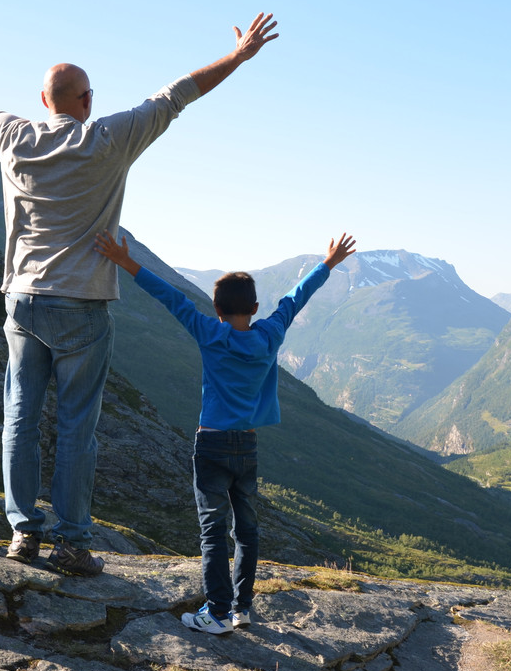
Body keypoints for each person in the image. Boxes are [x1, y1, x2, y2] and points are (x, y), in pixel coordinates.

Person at [0, 14, 279, 577]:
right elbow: (178, 94)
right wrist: (237, 58)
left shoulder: (11, 135)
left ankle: (22, 532)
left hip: (23, 300)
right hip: (83, 304)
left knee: (19, 417)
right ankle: (71, 541)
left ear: (43, 99)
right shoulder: (108, 139)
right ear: (85, 100)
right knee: (76, 426)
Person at [94, 229, 356, 633]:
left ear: (216, 308)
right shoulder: (270, 334)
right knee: (246, 531)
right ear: (253, 307)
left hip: (211, 442)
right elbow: (294, 299)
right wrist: (328, 263)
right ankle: (241, 609)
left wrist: (123, 260)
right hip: (247, 446)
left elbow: (171, 299)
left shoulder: (209, 333)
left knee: (213, 532)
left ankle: (215, 614)